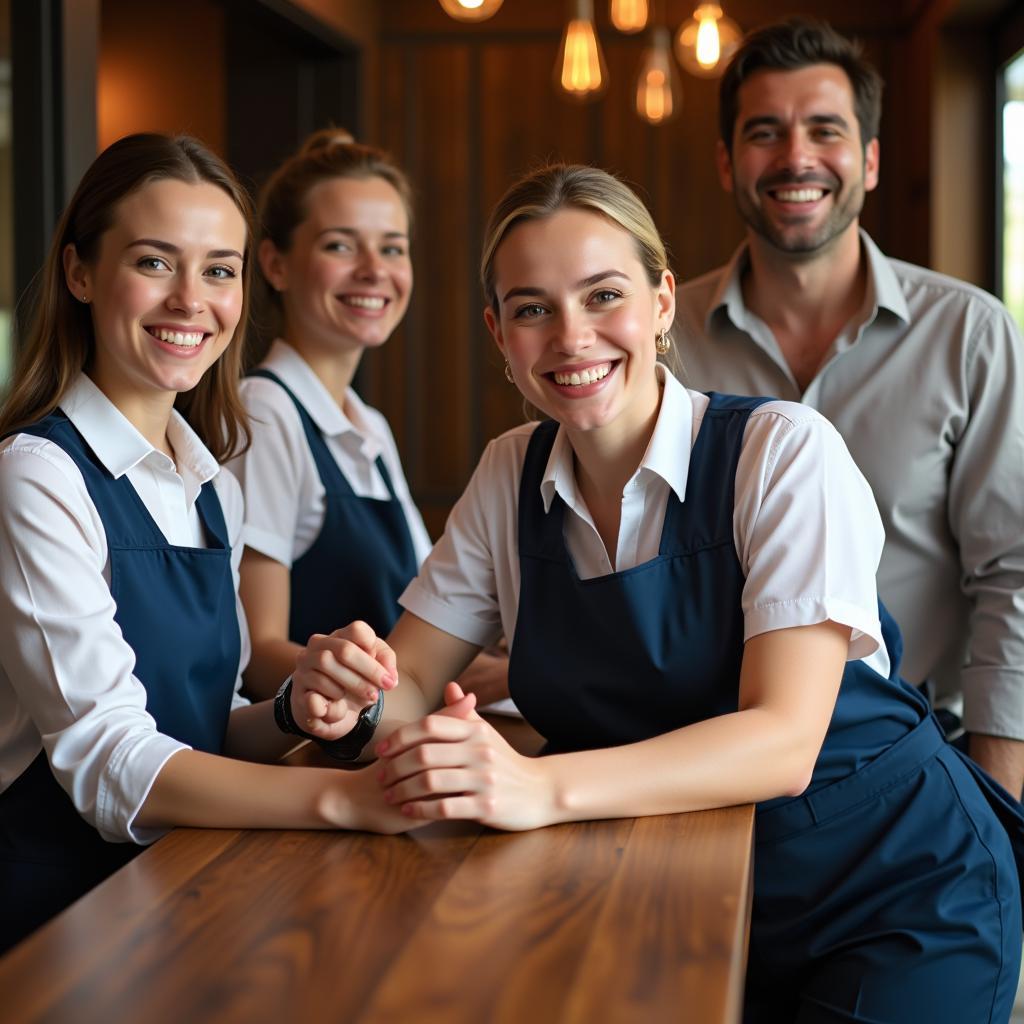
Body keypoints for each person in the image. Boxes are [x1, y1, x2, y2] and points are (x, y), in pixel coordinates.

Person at [287, 163, 1024, 1022]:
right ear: (498, 332)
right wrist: (352, 705)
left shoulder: (782, 454)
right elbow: (407, 681)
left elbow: (782, 743)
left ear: (662, 302)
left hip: (890, 891)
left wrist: (534, 785)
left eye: (604, 295)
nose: (571, 337)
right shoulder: (506, 475)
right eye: (532, 309)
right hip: (675, 890)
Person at [0, 133, 418, 955]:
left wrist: (296, 707)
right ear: (81, 273)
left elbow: (206, 726)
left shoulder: (211, 487)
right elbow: (107, 757)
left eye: (217, 270)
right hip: (52, 920)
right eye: (155, 262)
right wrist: (347, 800)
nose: (192, 300)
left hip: (183, 896)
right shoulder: (35, 476)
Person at [672, 17, 1024, 797]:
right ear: (729, 163)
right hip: (706, 768)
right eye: (765, 133)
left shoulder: (970, 334)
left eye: (824, 130)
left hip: (925, 763)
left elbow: (1015, 576)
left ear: (867, 159)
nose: (795, 156)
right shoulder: (661, 345)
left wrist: (995, 799)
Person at [229, 129, 507, 705]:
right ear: (276, 265)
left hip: (388, 728)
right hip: (317, 754)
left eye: (392, 247)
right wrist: (385, 687)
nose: (374, 270)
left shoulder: (367, 424)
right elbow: (257, 656)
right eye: (340, 246)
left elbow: (433, 623)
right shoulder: (267, 413)